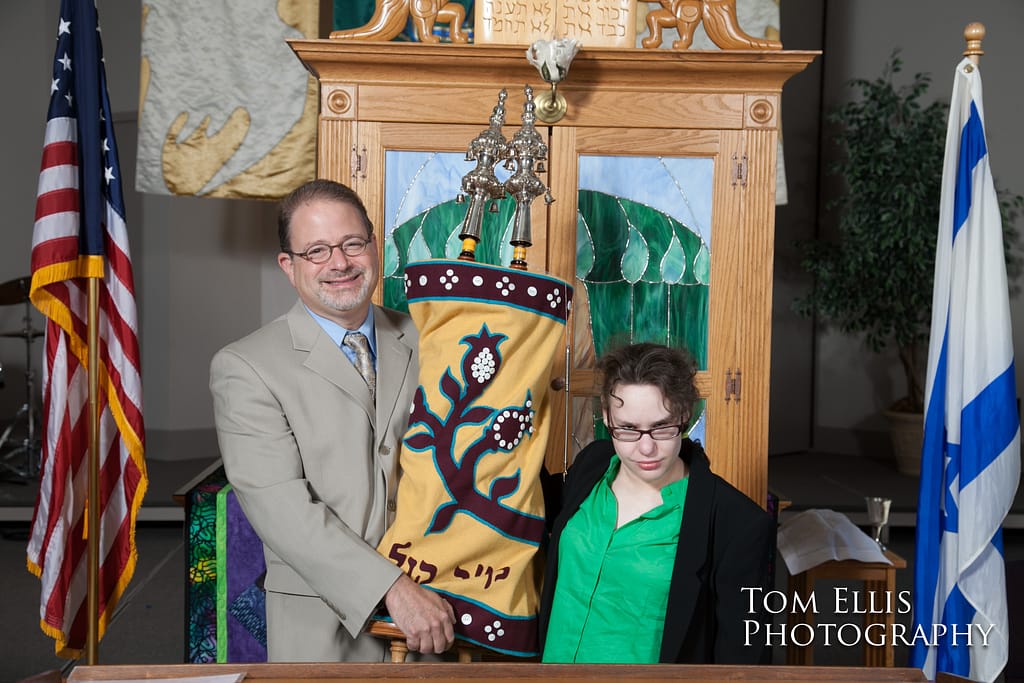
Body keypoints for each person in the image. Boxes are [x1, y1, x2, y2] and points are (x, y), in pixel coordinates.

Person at [210, 179, 455, 662]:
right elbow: (283, 509)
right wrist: (392, 587)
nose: (339, 263)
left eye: (351, 244)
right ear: (289, 266)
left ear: (374, 248)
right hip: (321, 621)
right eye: (317, 250)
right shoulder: (245, 366)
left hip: (439, 607)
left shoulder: (429, 339)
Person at [538, 342, 775, 664]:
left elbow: (743, 661)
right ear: (607, 417)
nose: (646, 448)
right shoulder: (590, 465)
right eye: (628, 429)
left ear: (684, 414)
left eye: (662, 427)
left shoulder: (738, 523)